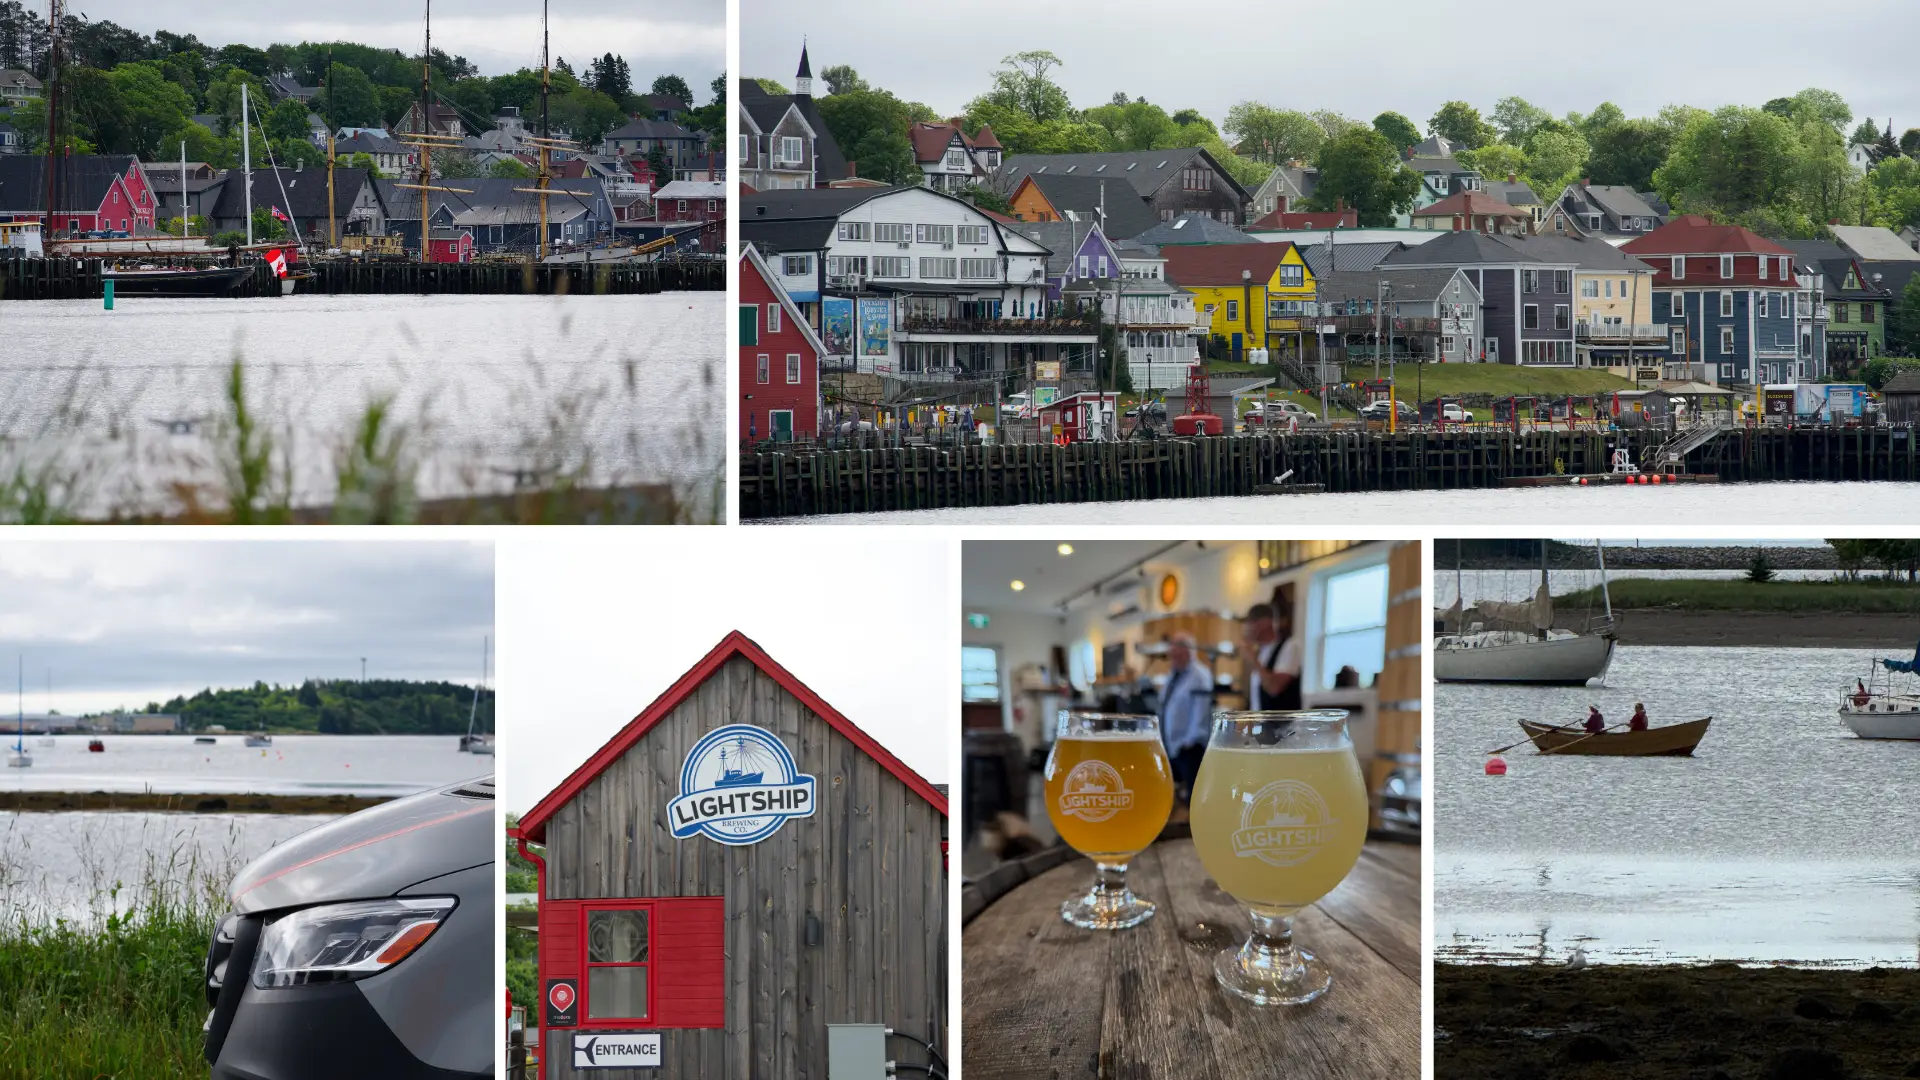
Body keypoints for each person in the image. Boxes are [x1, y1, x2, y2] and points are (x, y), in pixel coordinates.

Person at [1157, 632, 1213, 805]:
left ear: (1188, 651)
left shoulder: (1200, 675)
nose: (1174, 657)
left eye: (1177, 653)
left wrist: (1190, 742)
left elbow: (1201, 712)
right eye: (1172, 653)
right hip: (1173, 744)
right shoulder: (1174, 674)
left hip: (1190, 746)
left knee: (1193, 797)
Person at [1238, 602, 1302, 712]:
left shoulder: (1289, 646)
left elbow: (1274, 688)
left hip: (1283, 726)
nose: (1246, 628)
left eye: (1250, 623)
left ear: (1264, 623)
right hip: (1260, 725)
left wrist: (1253, 660)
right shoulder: (1260, 652)